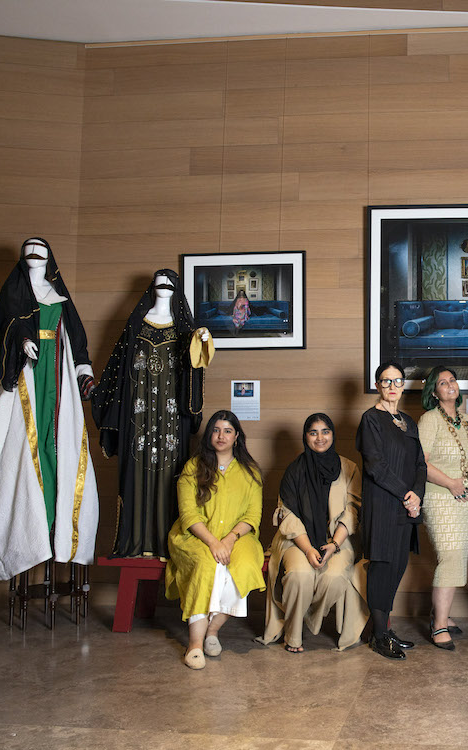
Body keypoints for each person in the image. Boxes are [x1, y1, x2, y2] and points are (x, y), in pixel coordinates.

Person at [0, 237, 98, 580]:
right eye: (29, 251)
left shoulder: (58, 294)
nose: (35, 256)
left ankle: (59, 531)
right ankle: (30, 530)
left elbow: (75, 336)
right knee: (22, 449)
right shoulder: (13, 292)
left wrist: (83, 370)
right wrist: (22, 341)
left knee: (60, 447)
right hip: (29, 376)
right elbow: (3, 329)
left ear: (50, 259)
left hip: (58, 379)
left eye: (41, 251)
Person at [91, 269, 214, 559]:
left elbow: (195, 370)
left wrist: (201, 341)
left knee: (173, 478)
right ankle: (134, 542)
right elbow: (118, 370)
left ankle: (167, 545)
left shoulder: (185, 329)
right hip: (137, 416)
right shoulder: (136, 325)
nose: (164, 289)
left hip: (172, 419)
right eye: (160, 285)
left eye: (170, 286)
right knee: (135, 475)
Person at [259, 413, 367, 652]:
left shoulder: (349, 468)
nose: (320, 438)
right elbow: (287, 515)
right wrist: (308, 549)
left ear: (333, 435)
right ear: (305, 437)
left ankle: (306, 616)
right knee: (299, 575)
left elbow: (353, 510)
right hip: (297, 540)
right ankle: (293, 635)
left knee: (334, 577)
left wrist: (334, 544)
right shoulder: (294, 470)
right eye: (313, 432)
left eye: (325, 431)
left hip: (337, 539)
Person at [165, 411, 265, 669]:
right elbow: (188, 513)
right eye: (216, 430)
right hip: (196, 534)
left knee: (243, 566)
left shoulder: (250, 472)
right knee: (206, 566)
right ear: (209, 434)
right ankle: (195, 644)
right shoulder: (193, 467)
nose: (221, 436)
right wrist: (213, 542)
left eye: (228, 431)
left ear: (237, 436)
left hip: (238, 536)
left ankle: (212, 631)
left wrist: (229, 539)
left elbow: (253, 515)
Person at [356, 362, 426, 660]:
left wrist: (417, 495)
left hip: (407, 507)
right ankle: (379, 637)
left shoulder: (408, 421)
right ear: (377, 385)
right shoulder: (370, 419)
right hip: (383, 505)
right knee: (382, 568)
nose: (392, 386)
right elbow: (376, 465)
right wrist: (405, 495)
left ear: (403, 385)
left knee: (397, 566)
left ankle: (382, 628)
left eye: (397, 381)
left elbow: (420, 464)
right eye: (386, 381)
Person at [417, 366, 468, 650]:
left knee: (458, 556)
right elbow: (421, 463)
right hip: (440, 496)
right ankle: (439, 624)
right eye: (443, 382)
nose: (450, 384)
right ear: (434, 392)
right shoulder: (429, 419)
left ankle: (440, 613)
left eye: (452, 380)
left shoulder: (466, 420)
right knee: (450, 555)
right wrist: (451, 483)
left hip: (465, 498)